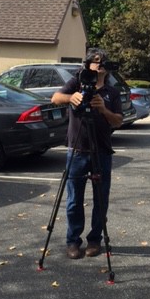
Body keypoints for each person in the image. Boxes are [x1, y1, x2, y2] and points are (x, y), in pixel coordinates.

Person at [51, 48, 123, 259]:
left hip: (101, 151)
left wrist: (103, 109)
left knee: (101, 199)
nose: (99, 65)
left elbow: (118, 121)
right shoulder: (77, 83)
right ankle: (73, 242)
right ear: (88, 64)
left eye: (103, 62)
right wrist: (71, 97)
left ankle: (94, 240)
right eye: (96, 61)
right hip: (77, 150)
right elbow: (55, 98)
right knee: (74, 199)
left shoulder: (112, 92)